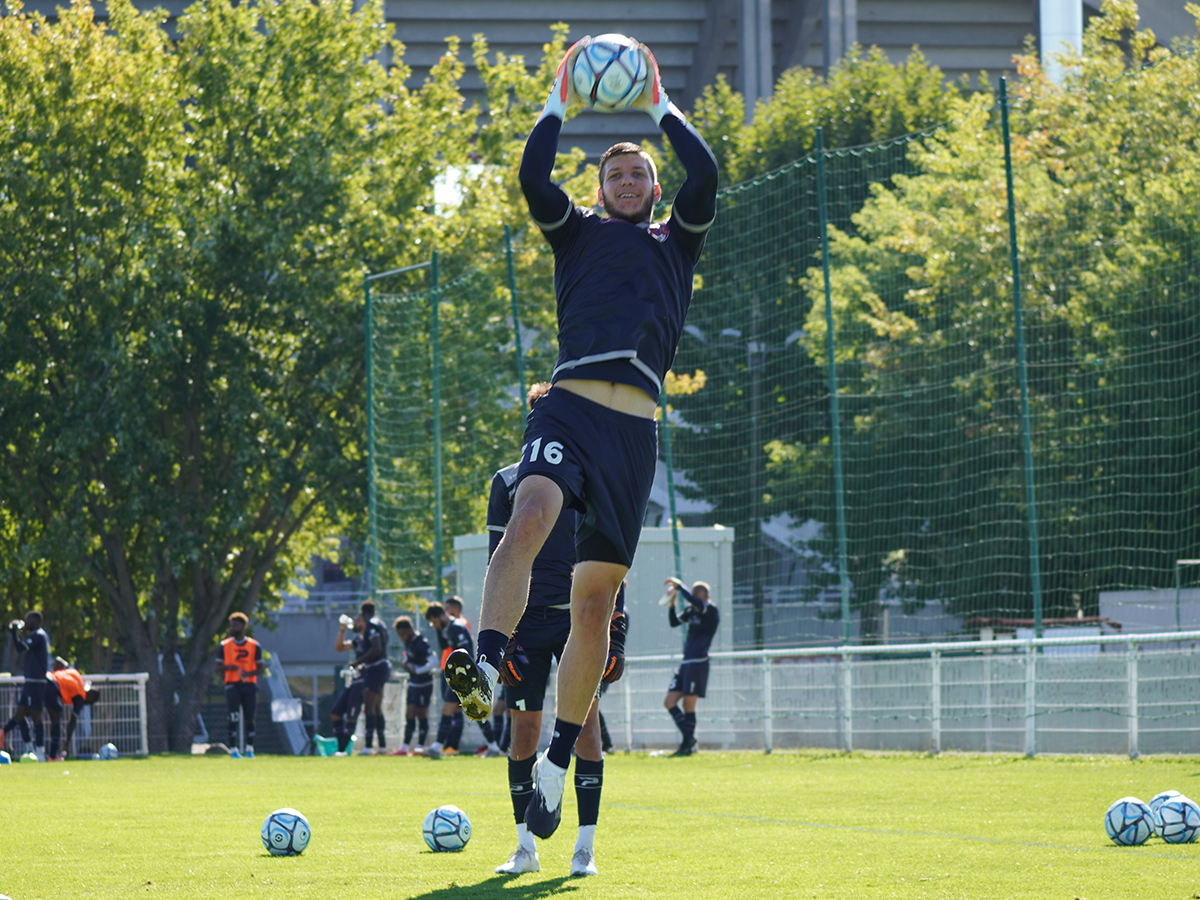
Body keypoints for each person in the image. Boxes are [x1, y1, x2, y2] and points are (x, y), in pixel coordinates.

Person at [443, 36, 718, 841]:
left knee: (594, 601)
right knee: (528, 518)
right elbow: (532, 177)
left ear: (654, 188)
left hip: (634, 431)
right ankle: (486, 666)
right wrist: (561, 98)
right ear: (598, 190)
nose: (628, 181)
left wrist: (660, 101)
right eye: (614, 174)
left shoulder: (679, 239)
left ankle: (561, 759)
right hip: (567, 408)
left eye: (639, 173)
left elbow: (705, 176)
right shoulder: (577, 234)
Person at [486, 383, 629, 876]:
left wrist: (618, 630)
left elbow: (610, 562)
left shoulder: (596, 477)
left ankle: (583, 851)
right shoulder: (507, 483)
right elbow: (497, 563)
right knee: (522, 735)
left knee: (586, 731)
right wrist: (497, 638)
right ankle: (525, 850)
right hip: (526, 630)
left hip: (577, 626)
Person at [423, 603, 502, 759]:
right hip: (464, 674)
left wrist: (463, 676)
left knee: (449, 710)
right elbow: (444, 646)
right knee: (476, 710)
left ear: (440, 616)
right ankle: (493, 747)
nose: (434, 625)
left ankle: (436, 748)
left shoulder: (456, 627)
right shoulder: (448, 628)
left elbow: (465, 652)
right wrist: (438, 629)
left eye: (434, 622)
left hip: (464, 675)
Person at [662, 577, 719, 756]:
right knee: (669, 702)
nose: (694, 597)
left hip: (698, 663)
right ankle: (689, 739)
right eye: (692, 593)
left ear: (706, 596)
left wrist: (680, 587)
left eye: (697, 594)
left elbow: (695, 602)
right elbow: (674, 623)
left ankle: (687, 746)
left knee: (689, 704)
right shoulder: (691, 611)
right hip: (686, 663)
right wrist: (672, 604)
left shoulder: (710, 610)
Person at [1, 611, 52, 760]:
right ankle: (28, 747)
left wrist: (14, 631)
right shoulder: (36, 635)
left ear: (35, 622)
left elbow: (20, 647)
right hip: (30, 682)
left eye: (28, 620)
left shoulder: (39, 635)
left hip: (36, 683)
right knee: (19, 715)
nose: (26, 622)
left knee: (36, 715)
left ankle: (40, 752)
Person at [216, 612, 264, 758]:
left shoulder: (254, 645)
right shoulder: (225, 645)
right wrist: (230, 668)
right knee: (233, 716)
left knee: (250, 717)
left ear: (243, 626)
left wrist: (247, 674)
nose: (232, 628)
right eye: (231, 625)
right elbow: (218, 667)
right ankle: (233, 749)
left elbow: (261, 668)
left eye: (235, 625)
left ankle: (249, 748)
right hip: (232, 685)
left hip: (249, 685)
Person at [392, 615, 435, 755]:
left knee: (421, 714)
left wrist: (418, 670)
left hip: (424, 683)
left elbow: (433, 661)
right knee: (409, 714)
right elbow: (410, 657)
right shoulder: (409, 642)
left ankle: (420, 746)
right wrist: (406, 663)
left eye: (402, 634)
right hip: (413, 683)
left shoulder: (421, 642)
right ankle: (405, 747)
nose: (401, 637)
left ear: (409, 630)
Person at [353, 601, 392, 755]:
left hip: (376, 668)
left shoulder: (371, 625)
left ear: (363, 613)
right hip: (381, 667)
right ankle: (382, 745)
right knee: (376, 707)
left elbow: (376, 648)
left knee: (369, 706)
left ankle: (368, 746)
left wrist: (358, 661)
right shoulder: (380, 624)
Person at [44, 658, 100, 760]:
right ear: (90, 698)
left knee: (25, 713)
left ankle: (5, 730)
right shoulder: (80, 698)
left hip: (44, 678)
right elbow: (72, 722)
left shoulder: (77, 675)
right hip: (52, 687)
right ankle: (52, 756)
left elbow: (58, 661)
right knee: (56, 720)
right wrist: (67, 743)